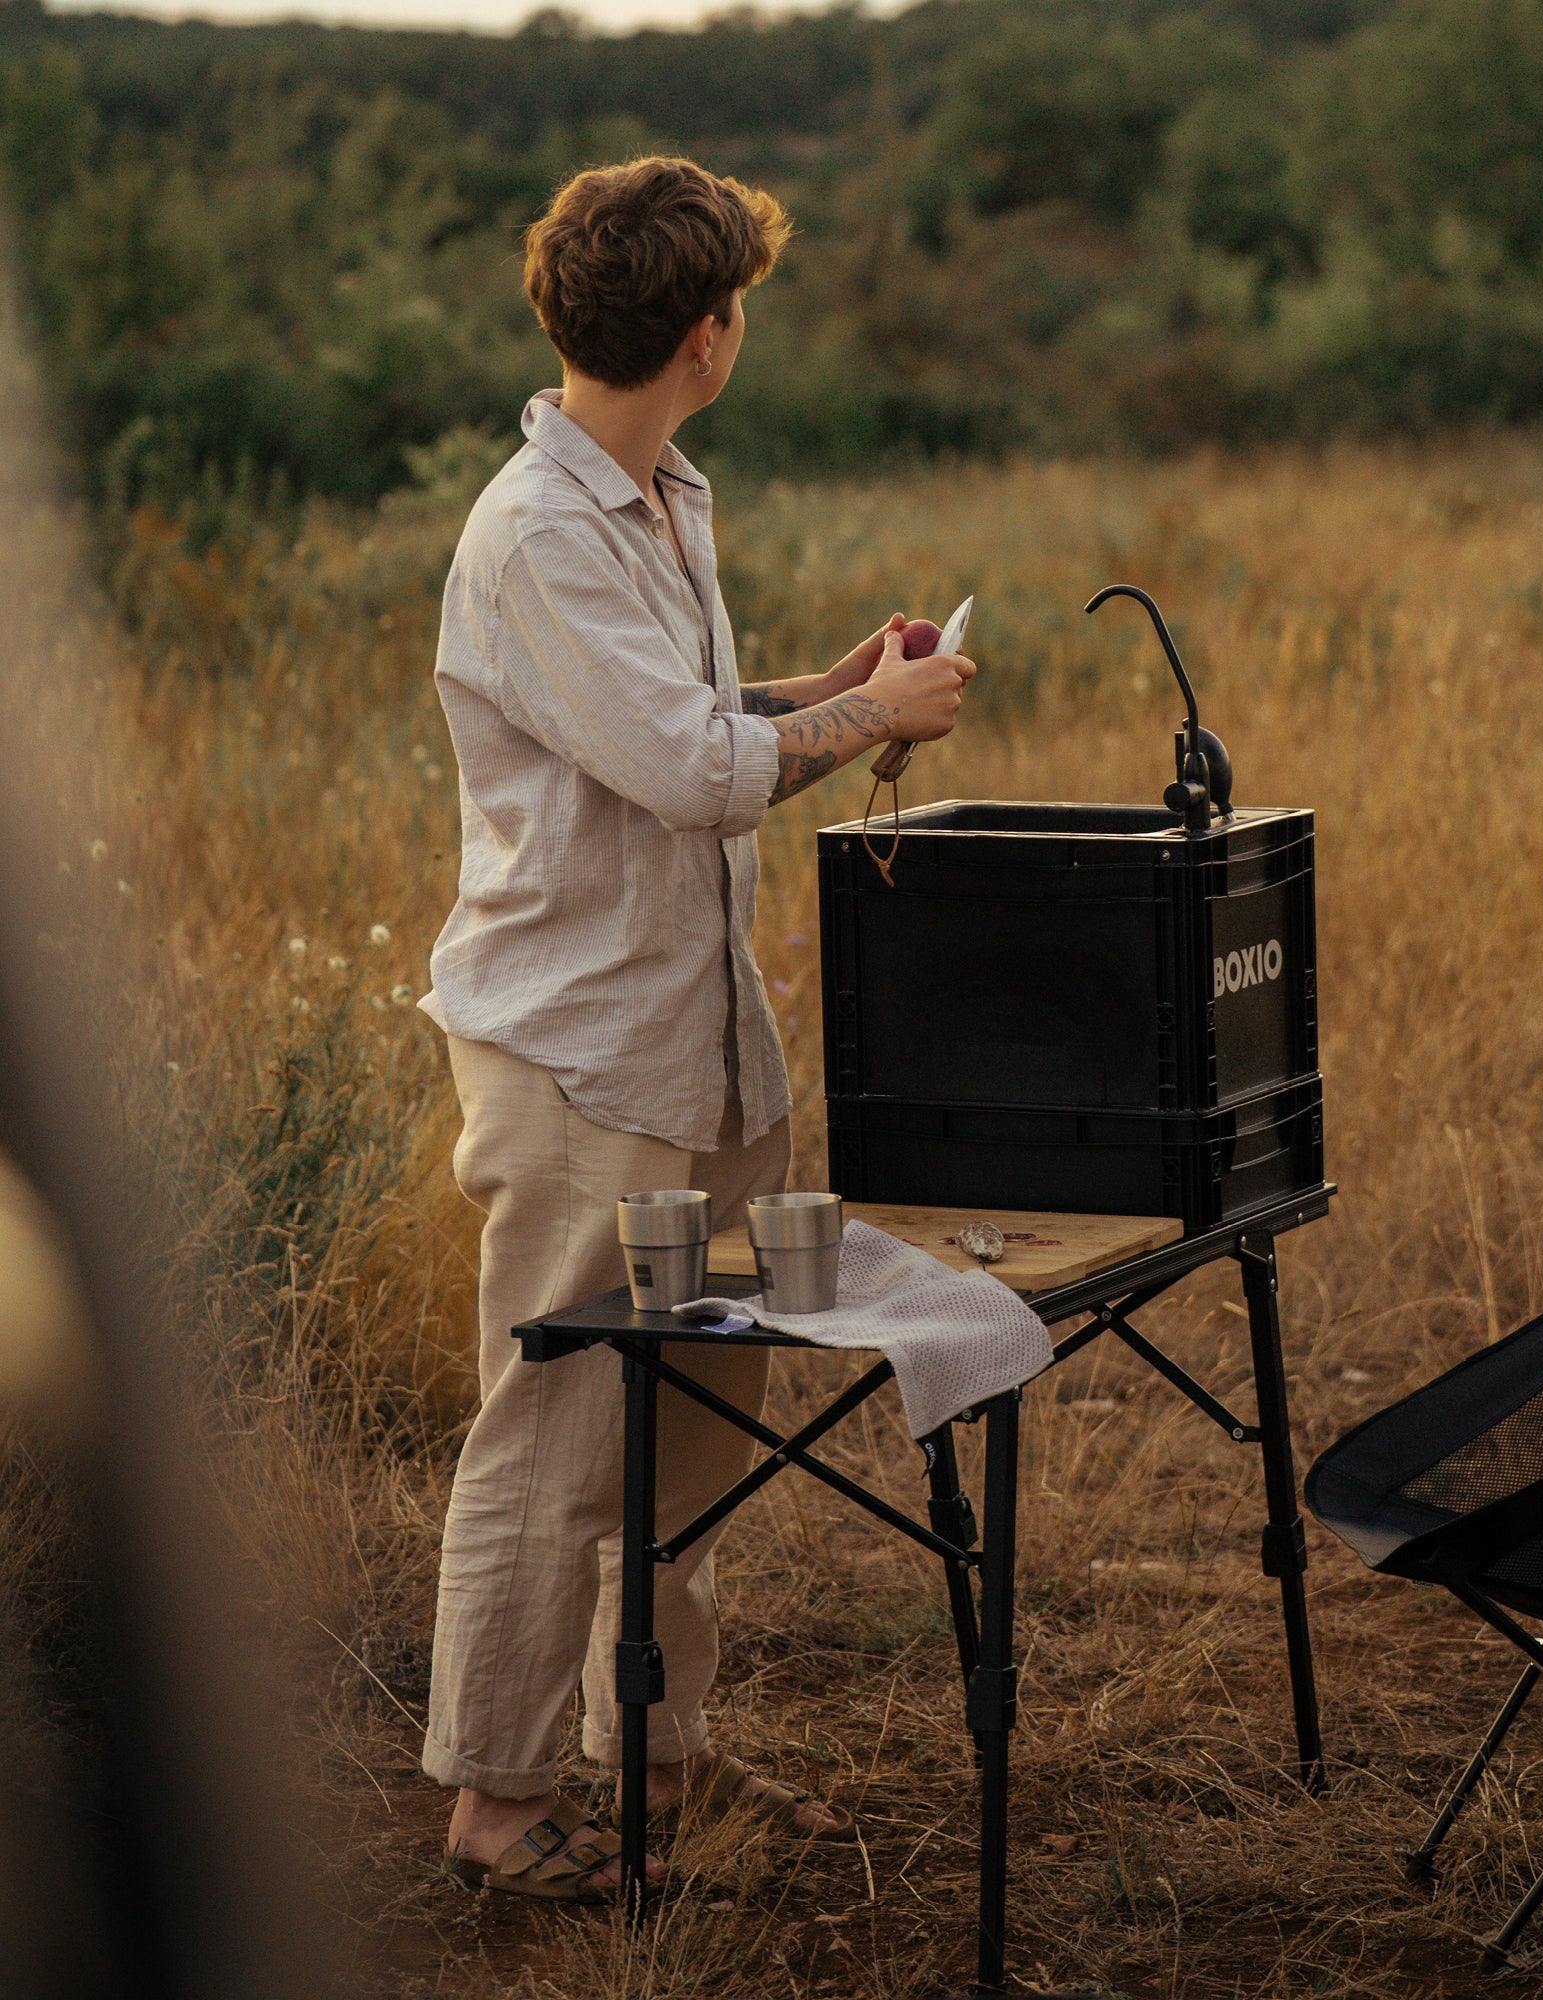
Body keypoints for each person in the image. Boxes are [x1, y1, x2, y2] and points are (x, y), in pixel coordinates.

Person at [415, 155, 975, 1902]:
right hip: (583, 1056)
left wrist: (830, 692)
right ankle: (498, 1810)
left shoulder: (659, 494)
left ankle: (656, 1759)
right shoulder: (537, 528)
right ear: (707, 335)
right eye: (741, 305)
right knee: (557, 1436)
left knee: (690, 1432)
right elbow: (684, 771)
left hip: (694, 1042)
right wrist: (870, 720)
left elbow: (686, 719)